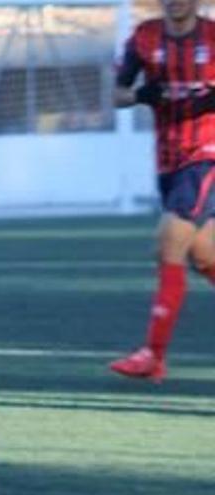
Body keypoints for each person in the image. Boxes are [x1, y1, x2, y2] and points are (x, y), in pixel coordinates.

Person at [109, 0, 215, 382]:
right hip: (168, 162)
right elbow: (117, 95)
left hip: (207, 156)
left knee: (169, 244)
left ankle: (152, 354)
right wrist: (143, 95)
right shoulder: (145, 37)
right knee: (204, 256)